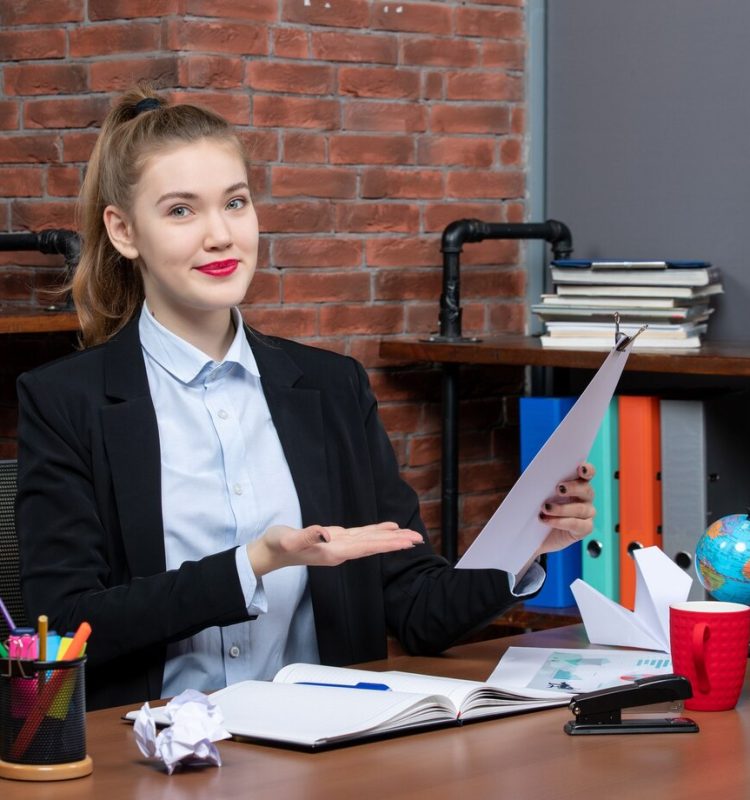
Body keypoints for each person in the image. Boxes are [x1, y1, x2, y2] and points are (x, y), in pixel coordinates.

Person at [15, 86, 595, 711]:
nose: (220, 235)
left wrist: (526, 547)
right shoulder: (64, 402)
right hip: (151, 753)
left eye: (235, 203)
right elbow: (66, 625)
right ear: (124, 231)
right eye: (182, 211)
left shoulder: (332, 387)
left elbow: (415, 605)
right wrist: (252, 563)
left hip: (323, 749)